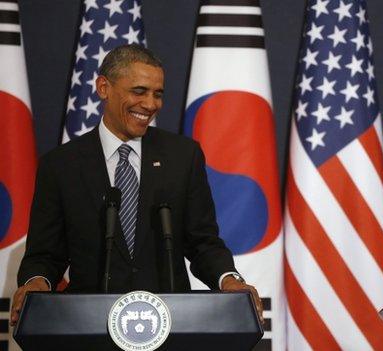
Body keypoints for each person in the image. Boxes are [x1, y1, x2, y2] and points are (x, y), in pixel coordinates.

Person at [10, 44, 262, 325]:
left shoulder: (182, 156)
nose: (151, 104)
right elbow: (45, 254)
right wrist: (35, 283)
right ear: (104, 87)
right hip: (90, 326)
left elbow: (203, 242)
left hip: (171, 323)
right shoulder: (61, 166)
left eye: (158, 94)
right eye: (139, 91)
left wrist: (230, 280)